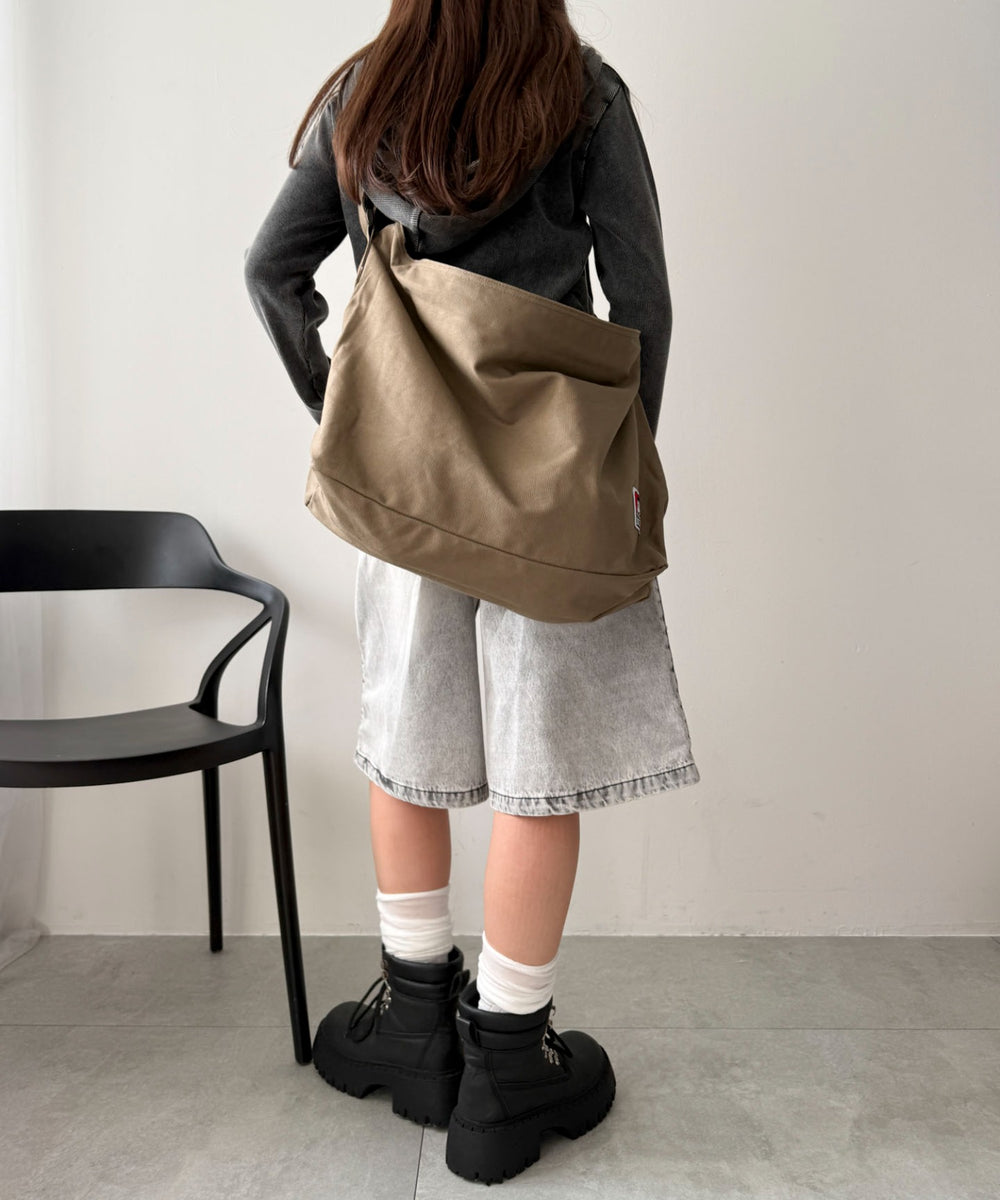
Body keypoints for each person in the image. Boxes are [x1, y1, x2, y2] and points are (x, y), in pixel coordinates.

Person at [244, 0, 700, 1184]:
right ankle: (507, 1063)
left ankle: (412, 1031)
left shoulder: (364, 92)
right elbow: (642, 304)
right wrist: (614, 469)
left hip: (407, 492)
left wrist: (350, 415)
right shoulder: (581, 91)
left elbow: (271, 271)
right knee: (540, 767)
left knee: (409, 744)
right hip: (551, 496)